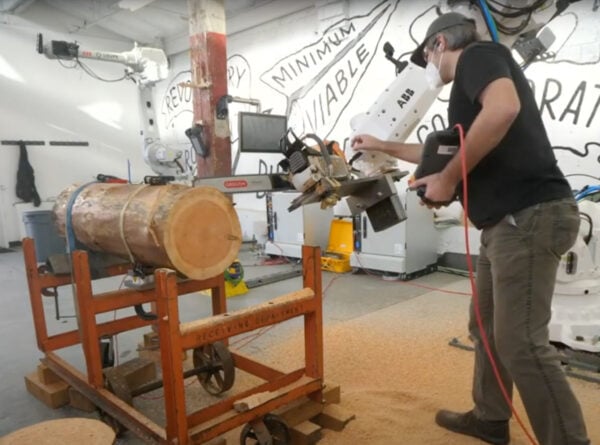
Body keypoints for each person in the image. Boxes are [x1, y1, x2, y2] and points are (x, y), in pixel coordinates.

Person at [352, 12, 590, 445]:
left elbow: (504, 109)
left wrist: (445, 181)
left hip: (528, 216)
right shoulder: (465, 97)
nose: (428, 66)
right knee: (485, 328)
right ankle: (490, 418)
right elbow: (436, 155)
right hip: (504, 224)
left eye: (426, 56)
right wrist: (382, 145)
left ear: (439, 45)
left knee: (521, 343)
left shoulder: (479, 55)